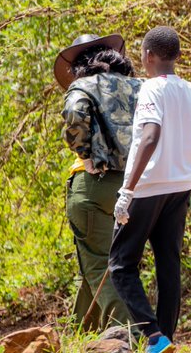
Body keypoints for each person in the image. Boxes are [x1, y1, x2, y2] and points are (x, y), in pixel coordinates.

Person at [107, 26, 191, 353]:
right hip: (179, 187)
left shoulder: (150, 89)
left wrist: (127, 189)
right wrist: (187, 164)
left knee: (121, 264)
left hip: (148, 187)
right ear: (177, 57)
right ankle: (165, 338)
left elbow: (150, 137)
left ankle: (153, 336)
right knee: (169, 263)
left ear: (149, 56)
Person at [57, 33, 138, 331]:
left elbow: (76, 112)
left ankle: (125, 337)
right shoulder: (139, 87)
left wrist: (85, 154)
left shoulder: (81, 86)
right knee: (108, 264)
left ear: (80, 66)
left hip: (93, 185)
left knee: (100, 264)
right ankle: (80, 335)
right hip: (135, 187)